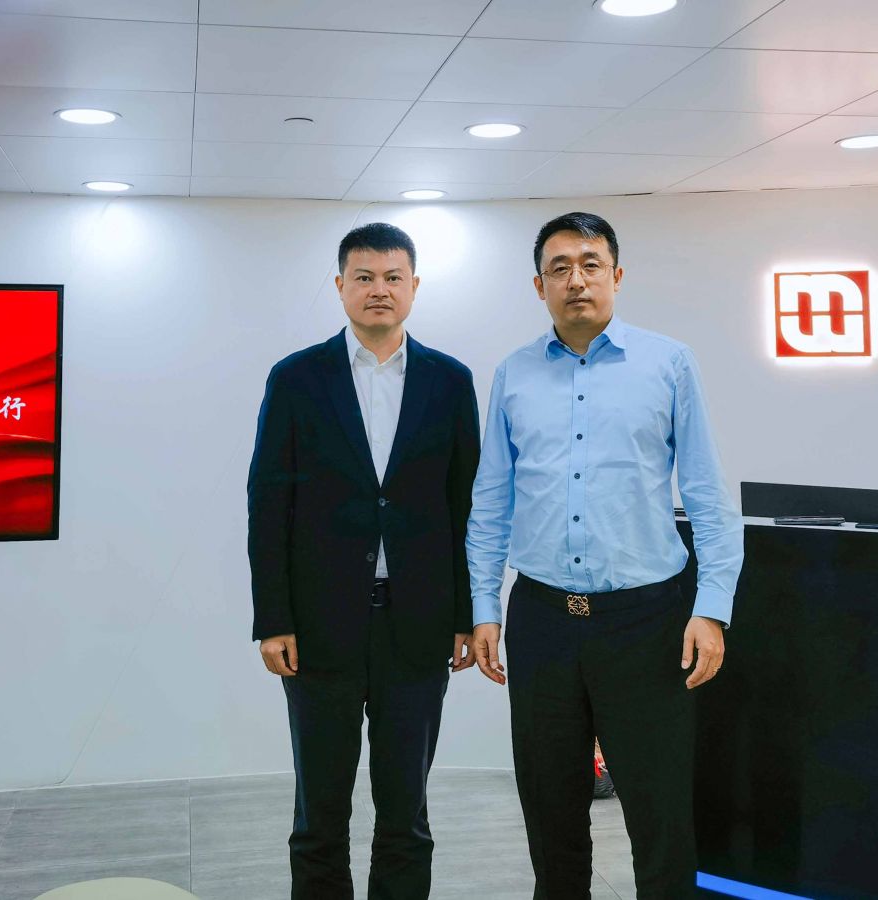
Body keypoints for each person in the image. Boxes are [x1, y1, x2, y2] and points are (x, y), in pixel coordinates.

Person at [466, 211, 745, 899]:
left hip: (646, 622)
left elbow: (707, 495)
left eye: (590, 264)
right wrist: (482, 606)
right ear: (539, 286)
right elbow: (491, 500)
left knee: (659, 814)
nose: (576, 280)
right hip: (542, 619)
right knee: (551, 812)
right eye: (559, 268)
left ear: (616, 275)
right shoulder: (514, 374)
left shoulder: (668, 363)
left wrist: (712, 608)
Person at [247, 222, 482, 900]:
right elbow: (269, 504)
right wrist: (274, 618)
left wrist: (466, 615)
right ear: (341, 286)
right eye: (365, 277)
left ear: (414, 286)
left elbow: (465, 505)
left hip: (418, 628)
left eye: (393, 277)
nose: (379, 289)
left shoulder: (449, 381)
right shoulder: (297, 377)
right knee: (319, 815)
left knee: (406, 814)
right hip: (319, 629)